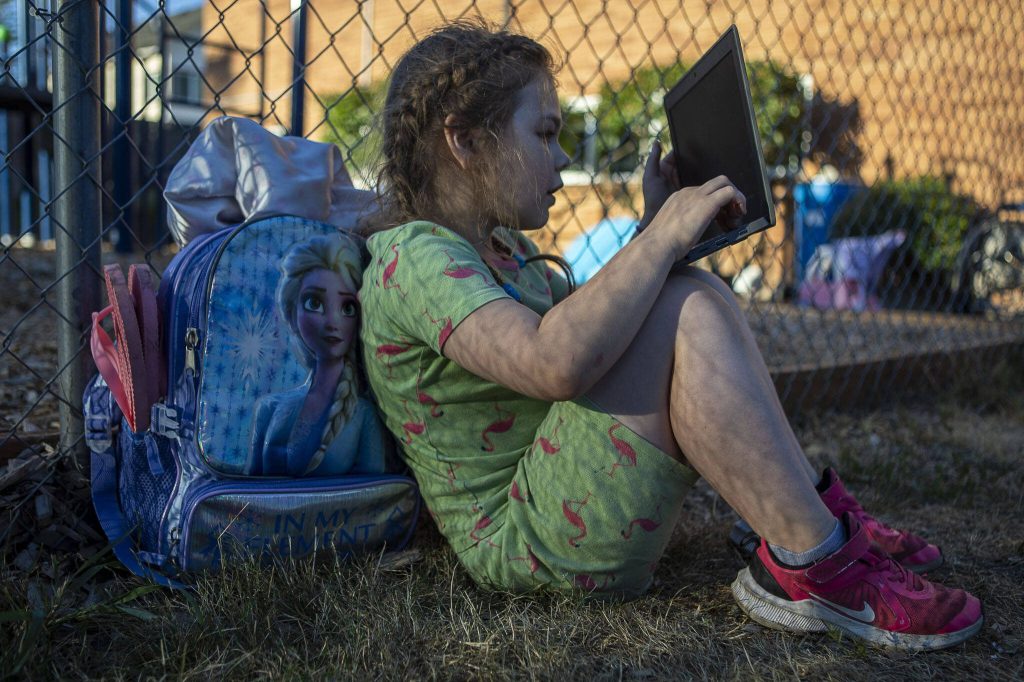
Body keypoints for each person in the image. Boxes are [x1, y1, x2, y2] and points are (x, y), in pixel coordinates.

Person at [358, 21, 982, 651]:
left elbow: (599, 340)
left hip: (553, 486)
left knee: (691, 292)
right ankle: (820, 564)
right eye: (546, 133)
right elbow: (551, 362)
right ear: (464, 140)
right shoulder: (415, 258)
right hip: (527, 541)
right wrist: (660, 242)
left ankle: (812, 524)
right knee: (685, 301)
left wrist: (651, 231)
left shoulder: (497, 247)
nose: (565, 155)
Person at [248, 233, 392, 477]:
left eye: (347, 308)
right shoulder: (268, 408)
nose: (333, 322)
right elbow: (246, 490)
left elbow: (371, 497)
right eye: (314, 303)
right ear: (292, 313)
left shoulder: (364, 416)